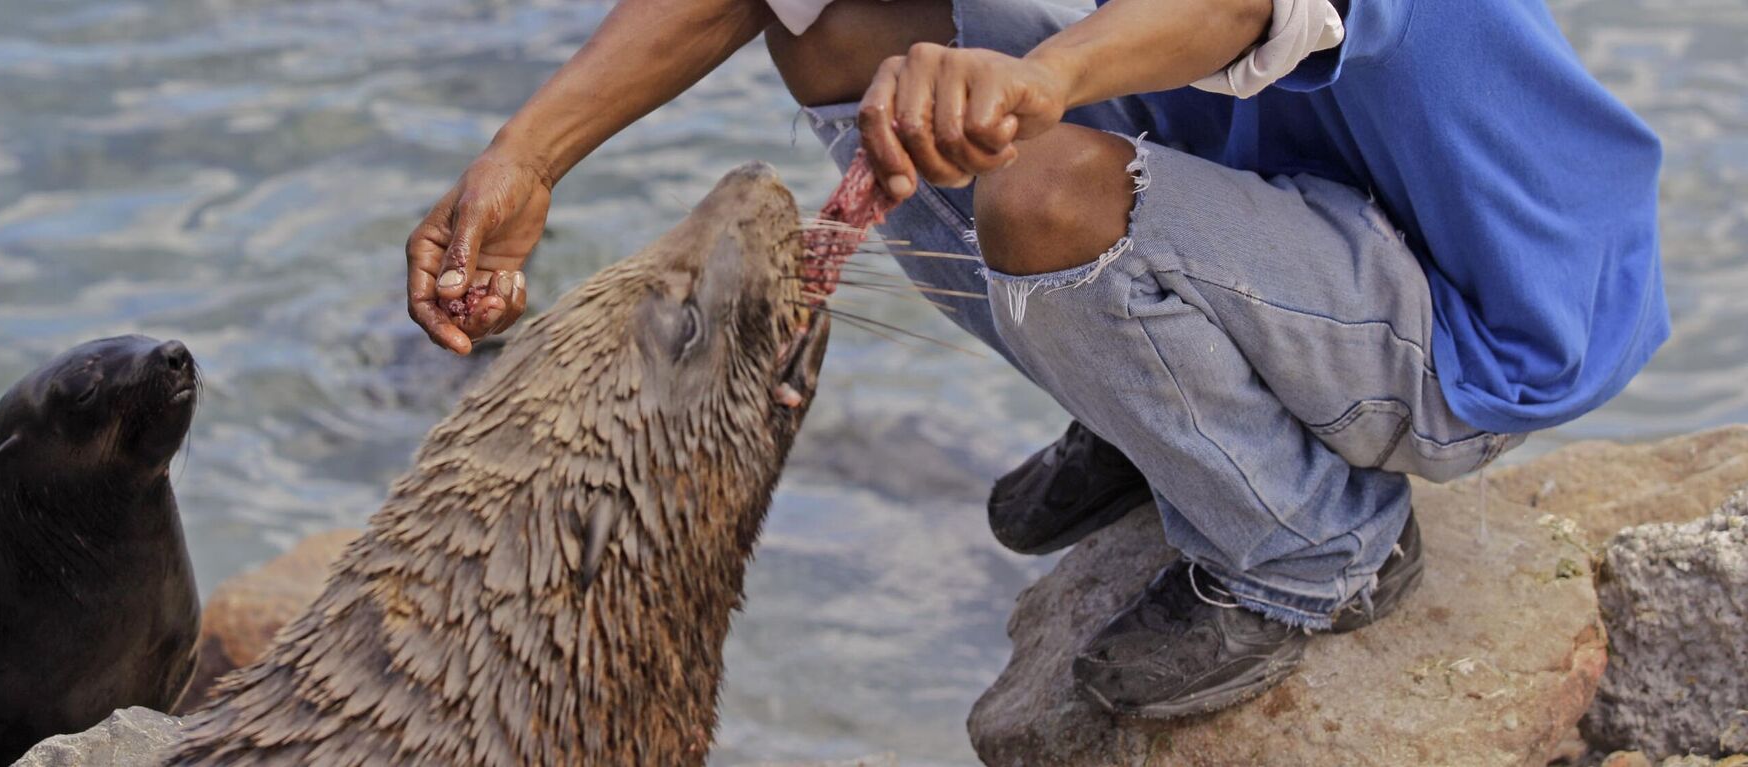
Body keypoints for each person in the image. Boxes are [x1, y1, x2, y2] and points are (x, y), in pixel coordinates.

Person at [404, 0, 1666, 717]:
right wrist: (528, 154)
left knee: (1037, 191)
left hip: (1474, 300)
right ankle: (1152, 413)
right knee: (839, 26)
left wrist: (1032, 76)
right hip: (1295, 197)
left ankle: (1316, 545)